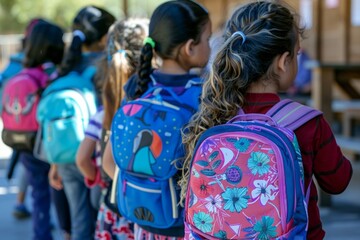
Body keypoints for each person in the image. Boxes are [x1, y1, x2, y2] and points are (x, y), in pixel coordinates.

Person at [179, 1, 353, 240]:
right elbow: (338, 181)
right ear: (283, 61)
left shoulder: (215, 113)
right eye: (297, 54)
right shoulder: (308, 123)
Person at [102, 0, 211, 239]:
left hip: (144, 224)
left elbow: (108, 161)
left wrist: (146, 195)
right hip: (186, 226)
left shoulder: (138, 86)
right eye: (207, 39)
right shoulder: (203, 95)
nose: (210, 46)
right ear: (190, 47)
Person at [76, 18, 149, 239]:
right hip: (145, 211)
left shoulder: (103, 113)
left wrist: (99, 180)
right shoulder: (149, 113)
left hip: (111, 208)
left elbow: (82, 159)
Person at [47, 6, 115, 240]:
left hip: (66, 155)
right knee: (99, 218)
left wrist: (55, 163)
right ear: (106, 37)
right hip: (96, 157)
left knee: (79, 220)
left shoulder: (66, 68)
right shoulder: (106, 66)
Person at [16, 20, 65, 240]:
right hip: (48, 144)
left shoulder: (23, 71)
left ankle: (41, 234)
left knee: (39, 195)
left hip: (25, 142)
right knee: (59, 192)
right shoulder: (49, 75)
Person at [0, 18, 47, 220]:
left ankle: (20, 202)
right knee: (36, 177)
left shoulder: (14, 63)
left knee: (25, 165)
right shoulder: (43, 67)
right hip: (35, 130)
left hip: (14, 127)